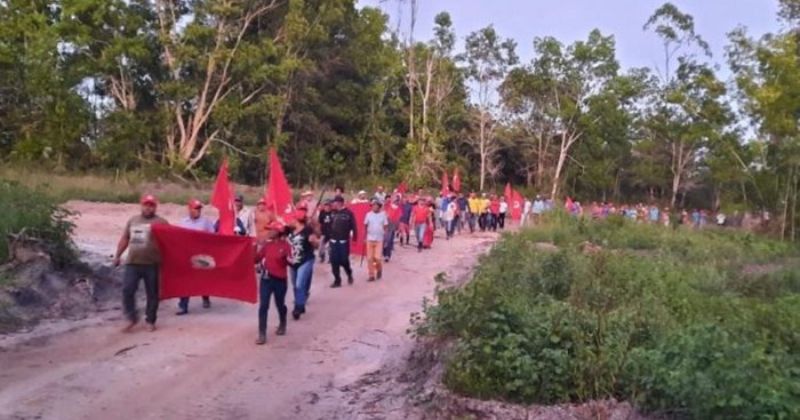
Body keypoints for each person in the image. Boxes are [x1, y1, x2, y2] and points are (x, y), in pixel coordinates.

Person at [113, 194, 168, 332]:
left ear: (155, 207)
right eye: (146, 205)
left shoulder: (162, 222)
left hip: (152, 264)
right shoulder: (133, 220)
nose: (148, 208)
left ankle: (150, 320)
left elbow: (171, 243)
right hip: (133, 262)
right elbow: (125, 238)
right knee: (127, 290)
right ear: (141, 205)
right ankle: (131, 318)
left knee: (152, 294)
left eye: (151, 205)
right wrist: (118, 255)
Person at [176, 199, 215, 315]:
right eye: (196, 208)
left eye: (199, 208)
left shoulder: (206, 222)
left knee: (203, 278)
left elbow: (213, 237)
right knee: (185, 281)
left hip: (202, 254)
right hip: (187, 254)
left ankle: (206, 298)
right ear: (190, 209)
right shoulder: (183, 222)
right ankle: (183, 305)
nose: (198, 210)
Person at [255, 221, 291, 345]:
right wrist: (254, 247)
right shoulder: (266, 245)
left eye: (271, 230)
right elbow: (256, 259)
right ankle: (262, 334)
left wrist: (287, 259)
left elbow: (292, 262)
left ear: (278, 232)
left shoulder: (286, 246)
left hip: (280, 280)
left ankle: (283, 321)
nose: (269, 232)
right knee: (263, 306)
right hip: (266, 279)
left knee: (280, 304)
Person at [287, 209, 318, 320]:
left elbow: (316, 245)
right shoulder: (288, 230)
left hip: (306, 260)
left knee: (300, 284)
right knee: (295, 286)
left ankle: (298, 308)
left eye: (292, 218)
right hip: (292, 262)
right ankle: (301, 303)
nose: (289, 220)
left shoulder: (308, 230)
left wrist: (313, 241)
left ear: (297, 220)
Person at [329, 196, 357, 287]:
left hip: (343, 241)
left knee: (344, 260)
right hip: (333, 241)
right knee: (334, 261)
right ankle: (337, 280)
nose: (333, 204)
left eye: (335, 202)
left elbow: (353, 226)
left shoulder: (349, 213)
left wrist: (354, 238)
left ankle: (349, 273)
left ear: (340, 202)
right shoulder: (332, 213)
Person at [364, 200, 388, 281]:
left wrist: (385, 236)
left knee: (377, 258)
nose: (374, 206)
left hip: (379, 239)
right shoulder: (368, 215)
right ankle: (371, 275)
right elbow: (365, 225)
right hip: (369, 239)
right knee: (369, 258)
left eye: (376, 205)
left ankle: (379, 269)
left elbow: (385, 226)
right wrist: (364, 237)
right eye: (373, 205)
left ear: (379, 206)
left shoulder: (383, 215)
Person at [384, 195, 401, 262]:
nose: (396, 201)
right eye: (395, 199)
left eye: (397, 200)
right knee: (385, 240)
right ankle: (384, 252)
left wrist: (398, 228)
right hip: (384, 223)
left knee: (389, 240)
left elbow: (398, 219)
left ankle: (387, 255)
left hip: (392, 225)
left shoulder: (399, 209)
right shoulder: (388, 205)